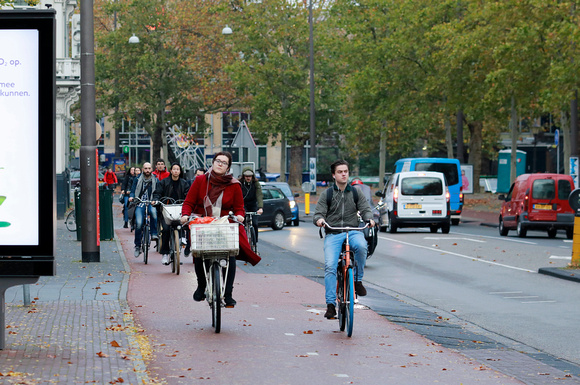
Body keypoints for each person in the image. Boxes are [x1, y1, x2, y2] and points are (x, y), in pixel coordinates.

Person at [180, 152, 261, 307]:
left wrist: (239, 216)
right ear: (213, 162)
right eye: (218, 161)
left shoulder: (234, 184)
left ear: (228, 167)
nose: (220, 164)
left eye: (224, 163)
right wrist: (185, 215)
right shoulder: (199, 180)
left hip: (224, 224)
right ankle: (201, 286)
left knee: (230, 256)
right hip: (203, 223)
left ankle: (228, 293)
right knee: (198, 254)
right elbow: (189, 202)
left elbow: (239, 208)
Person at [313, 160, 375, 319]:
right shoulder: (326, 194)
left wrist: (369, 219)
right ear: (334, 175)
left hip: (353, 230)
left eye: (346, 171)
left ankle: (358, 281)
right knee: (330, 266)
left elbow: (365, 209)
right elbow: (318, 213)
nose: (343, 174)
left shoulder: (355, 192)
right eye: (340, 172)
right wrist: (320, 220)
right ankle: (331, 305)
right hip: (333, 232)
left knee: (361, 247)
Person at [153, 162, 190, 265]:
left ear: (180, 171)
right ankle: (165, 254)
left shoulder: (184, 183)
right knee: (165, 230)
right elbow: (157, 193)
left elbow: (188, 194)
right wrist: (156, 200)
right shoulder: (164, 182)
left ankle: (182, 239)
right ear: (171, 170)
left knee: (183, 223)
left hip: (179, 209)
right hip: (167, 210)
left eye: (178, 169)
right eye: (174, 169)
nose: (176, 171)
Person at [130, 162, 160, 257]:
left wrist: (155, 200)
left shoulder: (155, 179)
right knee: (139, 223)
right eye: (146, 168)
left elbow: (158, 192)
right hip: (140, 203)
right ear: (143, 169)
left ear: (152, 169)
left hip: (151, 202)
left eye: (149, 168)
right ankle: (137, 246)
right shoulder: (137, 179)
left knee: (153, 213)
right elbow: (133, 190)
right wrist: (131, 197)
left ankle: (154, 233)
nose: (147, 170)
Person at [238, 168, 263, 241]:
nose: (248, 178)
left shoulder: (256, 183)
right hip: (243, 204)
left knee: (255, 223)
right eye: (246, 176)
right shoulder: (239, 183)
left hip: (253, 204)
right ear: (243, 176)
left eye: (250, 176)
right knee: (242, 222)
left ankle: (255, 241)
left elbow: (259, 195)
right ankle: (243, 240)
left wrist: (260, 207)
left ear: (252, 176)